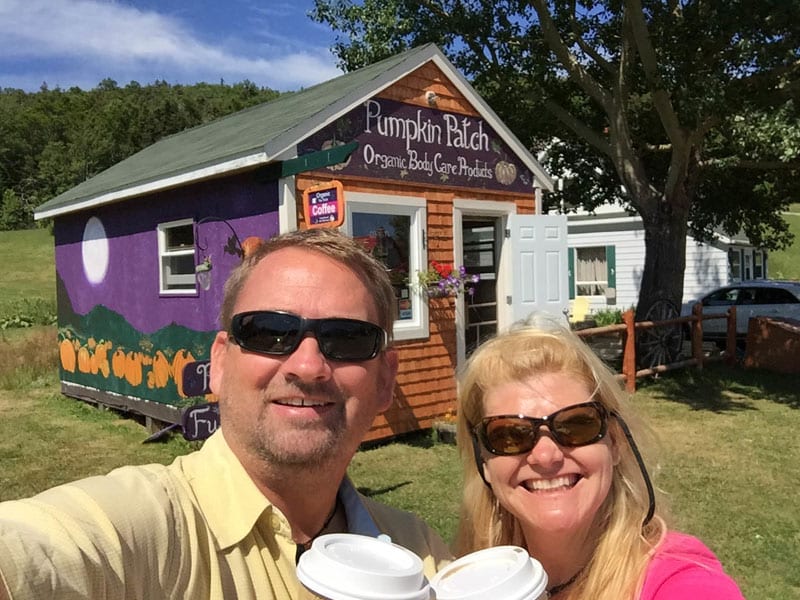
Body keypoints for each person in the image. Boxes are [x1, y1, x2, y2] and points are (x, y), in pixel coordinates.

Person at [0, 228, 451, 600]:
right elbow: (32, 550)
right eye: (268, 332)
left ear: (386, 380)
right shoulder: (150, 531)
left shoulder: (421, 552)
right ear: (218, 364)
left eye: (348, 338)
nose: (308, 366)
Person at [453, 313, 745, 599]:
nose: (545, 456)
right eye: (510, 435)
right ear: (484, 462)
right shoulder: (471, 583)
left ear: (615, 441)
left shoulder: (676, 582)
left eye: (577, 424)